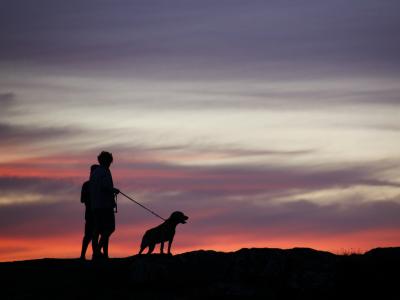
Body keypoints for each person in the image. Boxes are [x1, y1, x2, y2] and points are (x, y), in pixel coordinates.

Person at [90, 151, 119, 260]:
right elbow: (105, 187)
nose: (110, 163)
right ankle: (97, 252)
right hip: (105, 205)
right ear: (107, 161)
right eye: (110, 161)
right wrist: (114, 190)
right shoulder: (105, 172)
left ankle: (96, 253)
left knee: (97, 229)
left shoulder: (95, 173)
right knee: (110, 228)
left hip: (95, 205)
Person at [80, 164, 99, 260]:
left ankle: (95, 254)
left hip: (95, 213)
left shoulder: (88, 185)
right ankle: (83, 255)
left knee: (94, 235)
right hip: (90, 213)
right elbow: (82, 199)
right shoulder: (86, 185)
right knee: (89, 235)